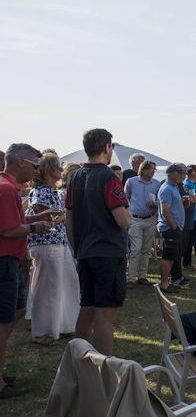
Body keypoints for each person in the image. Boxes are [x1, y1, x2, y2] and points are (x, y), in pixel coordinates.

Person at [66, 129, 131, 356]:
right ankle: (104, 368)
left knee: (88, 308)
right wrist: (128, 215)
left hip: (85, 252)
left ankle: (76, 361)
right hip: (107, 253)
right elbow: (122, 220)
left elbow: (69, 219)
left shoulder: (75, 176)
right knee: (105, 314)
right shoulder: (108, 177)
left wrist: (77, 249)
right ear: (106, 148)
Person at [0, 144, 57, 398]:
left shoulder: (8, 187)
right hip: (4, 262)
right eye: (35, 165)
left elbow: (14, 223)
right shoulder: (6, 189)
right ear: (21, 162)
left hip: (11, 261)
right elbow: (8, 230)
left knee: (16, 312)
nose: (37, 170)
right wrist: (36, 227)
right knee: (3, 322)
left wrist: (35, 219)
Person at [25, 153, 79, 345]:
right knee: (48, 288)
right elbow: (45, 216)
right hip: (46, 243)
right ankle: (44, 331)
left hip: (58, 242)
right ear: (49, 170)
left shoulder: (52, 191)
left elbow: (58, 217)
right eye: (58, 168)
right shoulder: (40, 192)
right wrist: (59, 217)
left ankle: (62, 325)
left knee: (64, 284)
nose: (61, 171)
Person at [124, 160, 161, 287]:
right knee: (135, 249)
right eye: (151, 169)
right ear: (143, 169)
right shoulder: (131, 182)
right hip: (135, 219)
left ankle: (142, 276)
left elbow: (159, 202)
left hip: (150, 218)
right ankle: (130, 278)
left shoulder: (156, 184)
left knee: (146, 249)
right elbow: (125, 198)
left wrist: (155, 205)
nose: (153, 172)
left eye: (154, 170)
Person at [156, 164, 187, 293]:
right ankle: (163, 285)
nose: (184, 176)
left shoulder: (174, 187)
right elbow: (165, 210)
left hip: (175, 227)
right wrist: (174, 227)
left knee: (173, 256)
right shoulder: (167, 188)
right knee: (168, 256)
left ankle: (168, 282)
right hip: (170, 228)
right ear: (173, 173)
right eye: (182, 173)